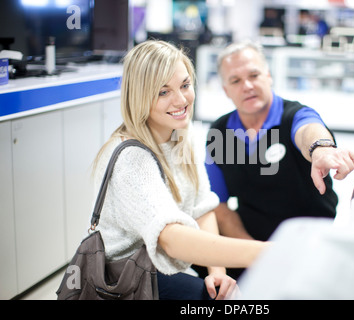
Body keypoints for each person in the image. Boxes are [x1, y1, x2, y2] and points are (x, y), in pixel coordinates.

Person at [91, 40, 268, 300]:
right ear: (139, 96)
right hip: (126, 280)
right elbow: (171, 238)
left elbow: (202, 206)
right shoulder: (131, 157)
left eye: (185, 85)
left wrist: (217, 271)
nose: (181, 99)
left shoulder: (182, 134)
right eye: (163, 92)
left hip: (167, 267)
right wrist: (265, 252)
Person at [205, 41, 354, 276]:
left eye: (254, 75)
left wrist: (321, 149)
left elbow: (309, 130)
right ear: (226, 90)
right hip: (251, 237)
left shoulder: (293, 115)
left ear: (268, 76)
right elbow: (222, 207)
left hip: (306, 235)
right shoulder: (221, 133)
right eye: (235, 80)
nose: (247, 86)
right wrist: (253, 254)